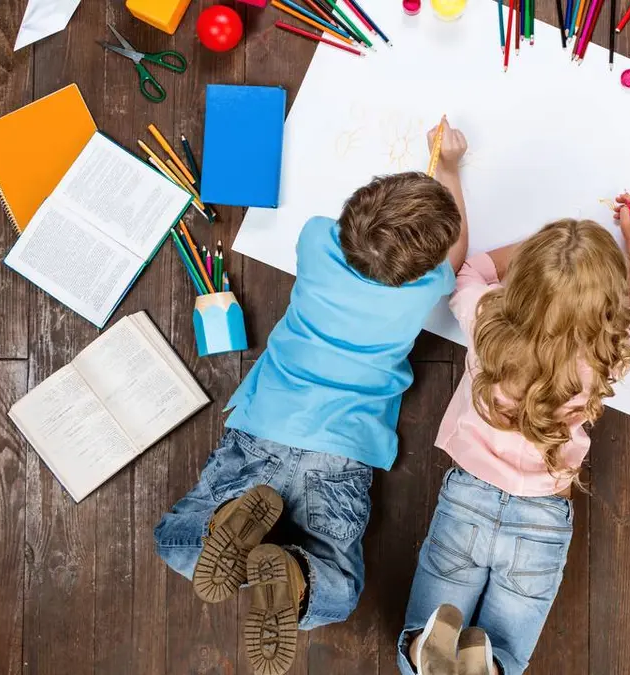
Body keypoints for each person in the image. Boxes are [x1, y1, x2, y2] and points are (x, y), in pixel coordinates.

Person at [153, 121, 470, 675]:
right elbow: (458, 254)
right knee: (335, 588)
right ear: (421, 271)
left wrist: (424, 178)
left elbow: (384, 232)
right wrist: (448, 168)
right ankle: (290, 573)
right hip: (341, 453)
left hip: (265, 426)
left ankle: (241, 529)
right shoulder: (427, 287)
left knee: (179, 544)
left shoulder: (317, 238)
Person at [397, 196, 630, 675]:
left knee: (429, 627)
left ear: (523, 281)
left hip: (468, 502)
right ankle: (481, 667)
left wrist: (546, 252)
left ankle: (425, 649)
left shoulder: (487, 323)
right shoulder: (611, 351)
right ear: (605, 304)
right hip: (542, 516)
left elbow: (470, 271)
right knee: (507, 653)